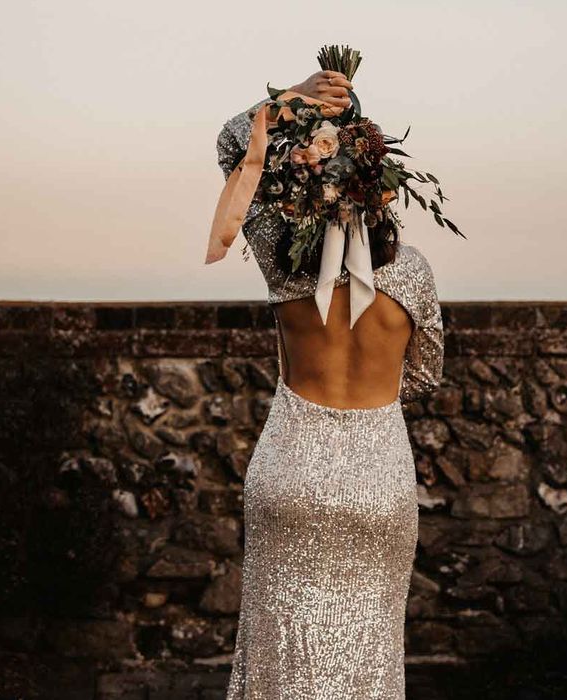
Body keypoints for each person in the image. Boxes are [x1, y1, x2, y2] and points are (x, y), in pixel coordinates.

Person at [211, 69, 444, 699]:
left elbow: (234, 144)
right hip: (379, 482)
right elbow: (423, 376)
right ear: (380, 179)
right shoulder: (415, 273)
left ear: (303, 173)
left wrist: (294, 97)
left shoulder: (279, 255)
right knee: (366, 660)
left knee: (279, 659)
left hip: (290, 466)